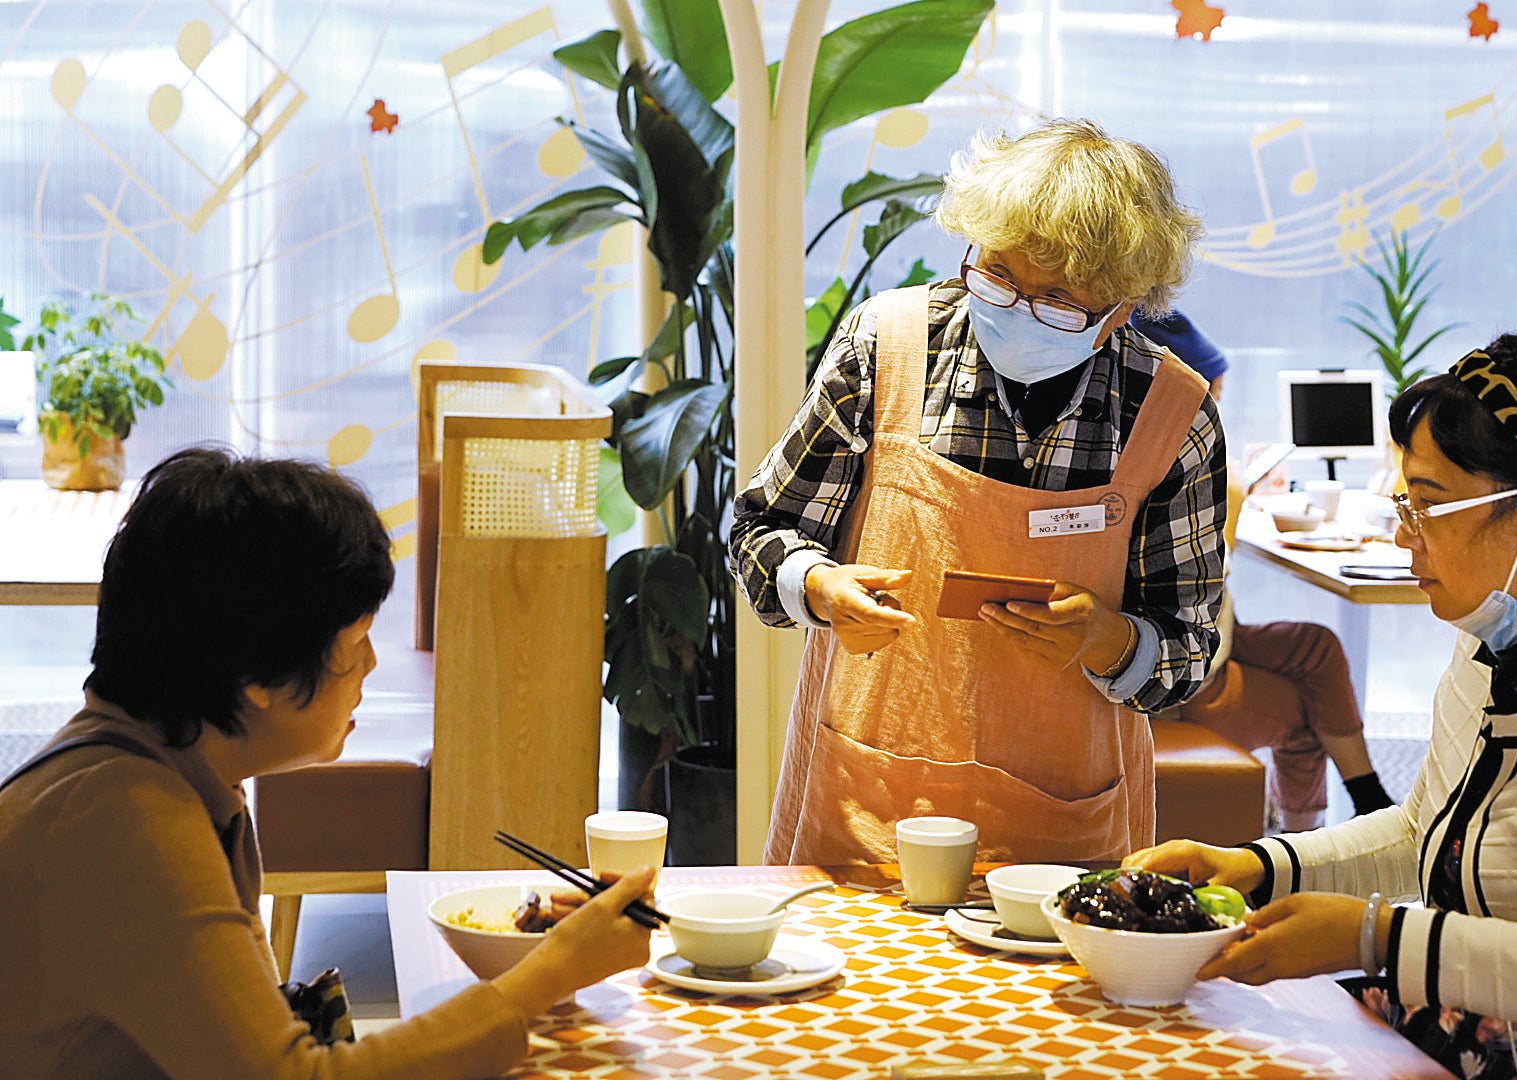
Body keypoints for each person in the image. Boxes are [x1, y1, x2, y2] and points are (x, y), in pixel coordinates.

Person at [1127, 335, 1517, 1078]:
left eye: (1428, 505)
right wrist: (1252, 867)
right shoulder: (1498, 640)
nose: (1404, 535)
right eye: (1404, 501)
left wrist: (1379, 938)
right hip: (1462, 1031)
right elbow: (1423, 833)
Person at [0, 447, 656, 1079]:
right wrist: (557, 968)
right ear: (259, 672)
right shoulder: (125, 823)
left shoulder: (147, 776)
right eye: (357, 640)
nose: (370, 665)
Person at [730, 118, 1227, 866]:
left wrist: (1107, 638)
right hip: (868, 790)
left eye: (1057, 301)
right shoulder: (887, 347)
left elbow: (1186, 652)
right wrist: (820, 584)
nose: (1015, 312)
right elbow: (760, 528)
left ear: (1123, 306)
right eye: (995, 278)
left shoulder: (1169, 416)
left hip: (1061, 819)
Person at [1133, 309, 1394, 830]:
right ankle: (1302, 848)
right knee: (1304, 717)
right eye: (1213, 397)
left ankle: (1366, 799)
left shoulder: (1152, 452)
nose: (1216, 411)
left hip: (1214, 634)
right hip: (1183, 671)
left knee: (1318, 648)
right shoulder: (1184, 468)